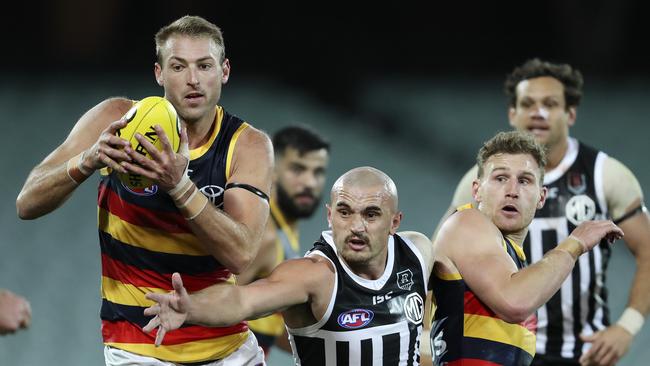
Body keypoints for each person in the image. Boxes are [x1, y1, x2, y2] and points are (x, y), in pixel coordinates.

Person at [16, 15, 273, 365]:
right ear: (159, 73)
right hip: (138, 348)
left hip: (228, 348)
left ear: (224, 71)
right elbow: (27, 202)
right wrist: (87, 161)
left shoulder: (247, 145)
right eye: (178, 66)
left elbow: (241, 256)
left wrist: (179, 187)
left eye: (204, 66)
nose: (193, 80)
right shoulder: (117, 119)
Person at [439, 59, 650, 366]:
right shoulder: (479, 180)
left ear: (570, 114)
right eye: (528, 104)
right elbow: (439, 267)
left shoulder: (605, 174)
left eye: (550, 104)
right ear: (513, 113)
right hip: (505, 344)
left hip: (581, 353)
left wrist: (628, 326)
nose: (538, 113)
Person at [142, 166, 434, 365]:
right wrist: (192, 307)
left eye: (371, 215)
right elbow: (243, 299)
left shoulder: (417, 252)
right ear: (330, 217)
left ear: (394, 222)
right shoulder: (314, 276)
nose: (356, 226)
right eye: (345, 213)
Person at [430, 131, 624, 365]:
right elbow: (514, 302)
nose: (512, 190)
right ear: (476, 190)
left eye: (524, 180)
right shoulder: (466, 222)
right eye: (500, 178)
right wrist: (575, 243)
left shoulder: (516, 267)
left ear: (541, 197)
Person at [236, 125, 330, 356]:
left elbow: (267, 326)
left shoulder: (283, 230)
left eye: (318, 172)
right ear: (273, 170)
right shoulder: (263, 235)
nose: (310, 182)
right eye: (298, 169)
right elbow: (208, 313)